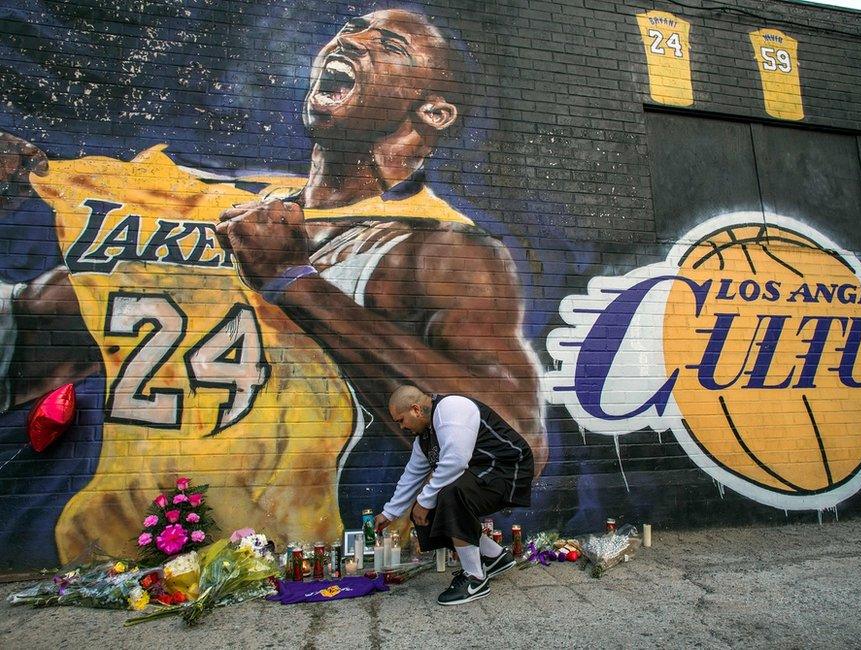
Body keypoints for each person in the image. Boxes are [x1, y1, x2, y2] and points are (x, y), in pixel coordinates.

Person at [0, 9, 545, 562]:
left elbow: (516, 440)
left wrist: (296, 284)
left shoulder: (437, 251)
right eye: (351, 26)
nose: (352, 38)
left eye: (387, 44)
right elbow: (43, 329)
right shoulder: (215, 207)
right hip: (108, 555)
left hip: (295, 555)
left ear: (432, 111)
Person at [375, 385, 532, 605]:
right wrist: (388, 514)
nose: (402, 427)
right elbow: (412, 475)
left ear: (416, 409)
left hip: (509, 467)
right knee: (433, 505)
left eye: (401, 420)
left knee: (450, 495)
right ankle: (495, 556)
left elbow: (456, 462)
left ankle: (475, 579)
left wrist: (424, 501)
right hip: (484, 471)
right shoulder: (424, 439)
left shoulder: (450, 408)